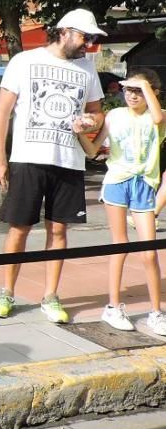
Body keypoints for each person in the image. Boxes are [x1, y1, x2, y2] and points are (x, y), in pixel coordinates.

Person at [0, 8, 106, 323]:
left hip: (68, 161)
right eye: (85, 36)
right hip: (28, 159)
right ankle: (6, 293)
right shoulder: (23, 62)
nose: (89, 44)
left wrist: (89, 121)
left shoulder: (87, 70)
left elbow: (98, 112)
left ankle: (51, 296)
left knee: (58, 230)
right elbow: (3, 112)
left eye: (92, 38)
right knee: (19, 228)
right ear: (65, 31)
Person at [76, 70, 166, 336]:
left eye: (138, 90)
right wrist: (80, 132)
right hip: (116, 182)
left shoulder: (157, 116)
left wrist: (145, 86)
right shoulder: (115, 116)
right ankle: (113, 306)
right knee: (120, 245)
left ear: (152, 93)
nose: (131, 95)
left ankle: (156, 312)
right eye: (128, 89)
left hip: (144, 185)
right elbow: (94, 151)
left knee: (149, 251)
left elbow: (159, 117)